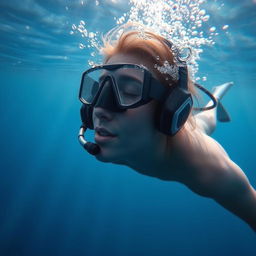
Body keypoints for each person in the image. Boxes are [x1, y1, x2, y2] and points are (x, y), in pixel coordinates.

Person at [78, 24, 256, 232]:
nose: (99, 108)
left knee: (206, 122)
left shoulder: (208, 169)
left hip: (192, 137)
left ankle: (216, 96)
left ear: (169, 111)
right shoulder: (123, 139)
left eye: (129, 90)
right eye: (101, 87)